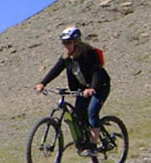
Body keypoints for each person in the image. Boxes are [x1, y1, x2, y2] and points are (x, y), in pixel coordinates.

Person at [34, 26, 111, 156]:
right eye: (64, 43)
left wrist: (92, 88)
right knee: (78, 114)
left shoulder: (88, 53)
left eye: (68, 42)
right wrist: (42, 83)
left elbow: (96, 71)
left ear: (76, 41)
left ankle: (93, 146)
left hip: (100, 86)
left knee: (92, 112)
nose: (66, 45)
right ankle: (84, 144)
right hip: (82, 89)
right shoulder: (66, 57)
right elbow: (56, 70)